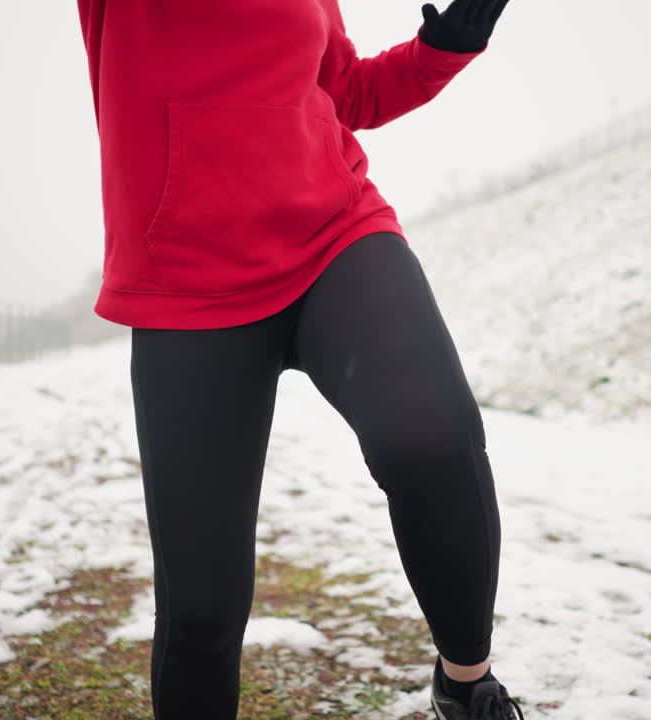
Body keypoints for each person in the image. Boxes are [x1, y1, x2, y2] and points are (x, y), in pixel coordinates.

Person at [75, 1, 521, 718]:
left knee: (432, 438)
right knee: (200, 617)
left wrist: (441, 48)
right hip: (187, 279)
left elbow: (347, 92)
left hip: (334, 235)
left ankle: (466, 686)